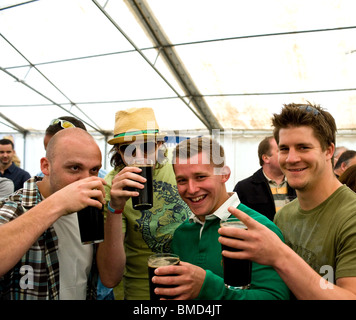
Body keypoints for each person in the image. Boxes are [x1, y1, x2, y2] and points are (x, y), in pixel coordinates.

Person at [219, 103, 356, 299]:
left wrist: (279, 255)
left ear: (328, 151)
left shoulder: (351, 215)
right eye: (284, 149)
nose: (291, 159)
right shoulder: (283, 216)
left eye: (303, 147)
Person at [151, 136, 289, 300]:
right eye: (182, 180)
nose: (192, 189)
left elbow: (275, 297)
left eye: (200, 177)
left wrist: (207, 286)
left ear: (224, 175)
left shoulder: (258, 228)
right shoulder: (182, 234)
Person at [0, 128, 125, 300]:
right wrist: (59, 203)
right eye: (74, 168)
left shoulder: (90, 208)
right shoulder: (17, 206)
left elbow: (111, 278)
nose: (86, 179)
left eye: (94, 170)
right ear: (46, 166)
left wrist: (115, 209)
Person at [103, 107, 191, 300]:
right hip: (143, 291)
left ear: (159, 144)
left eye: (148, 146)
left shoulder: (180, 168)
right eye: (129, 148)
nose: (140, 155)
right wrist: (115, 206)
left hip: (190, 284)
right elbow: (109, 276)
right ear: (119, 150)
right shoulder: (111, 186)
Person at [233, 136, 296, 221]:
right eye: (281, 150)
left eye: (286, 150)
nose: (287, 155)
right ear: (266, 158)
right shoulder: (244, 188)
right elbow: (234, 220)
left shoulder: (298, 184)